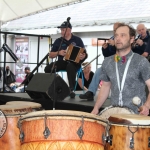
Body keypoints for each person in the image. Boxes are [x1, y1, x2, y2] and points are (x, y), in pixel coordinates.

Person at [91, 23, 150, 115]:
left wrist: (147, 106)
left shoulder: (141, 61)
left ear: (131, 39)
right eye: (116, 35)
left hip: (136, 117)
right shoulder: (107, 62)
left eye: (122, 35)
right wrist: (96, 108)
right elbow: (105, 86)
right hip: (115, 116)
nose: (118, 38)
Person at [79, 22, 122, 101]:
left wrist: (115, 44)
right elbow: (107, 55)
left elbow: (124, 52)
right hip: (111, 63)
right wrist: (104, 49)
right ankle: (91, 92)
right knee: (98, 71)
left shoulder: (124, 39)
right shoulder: (112, 38)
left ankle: (118, 95)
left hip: (121, 63)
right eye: (114, 29)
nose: (115, 31)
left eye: (116, 29)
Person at [44, 20, 87, 98]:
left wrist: (83, 56)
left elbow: (84, 53)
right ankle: (53, 87)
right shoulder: (58, 41)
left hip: (75, 63)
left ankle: (71, 90)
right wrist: (59, 53)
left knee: (70, 66)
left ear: (69, 30)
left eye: (64, 30)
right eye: (61, 30)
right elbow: (50, 55)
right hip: (62, 62)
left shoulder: (77, 40)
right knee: (48, 68)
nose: (62, 32)